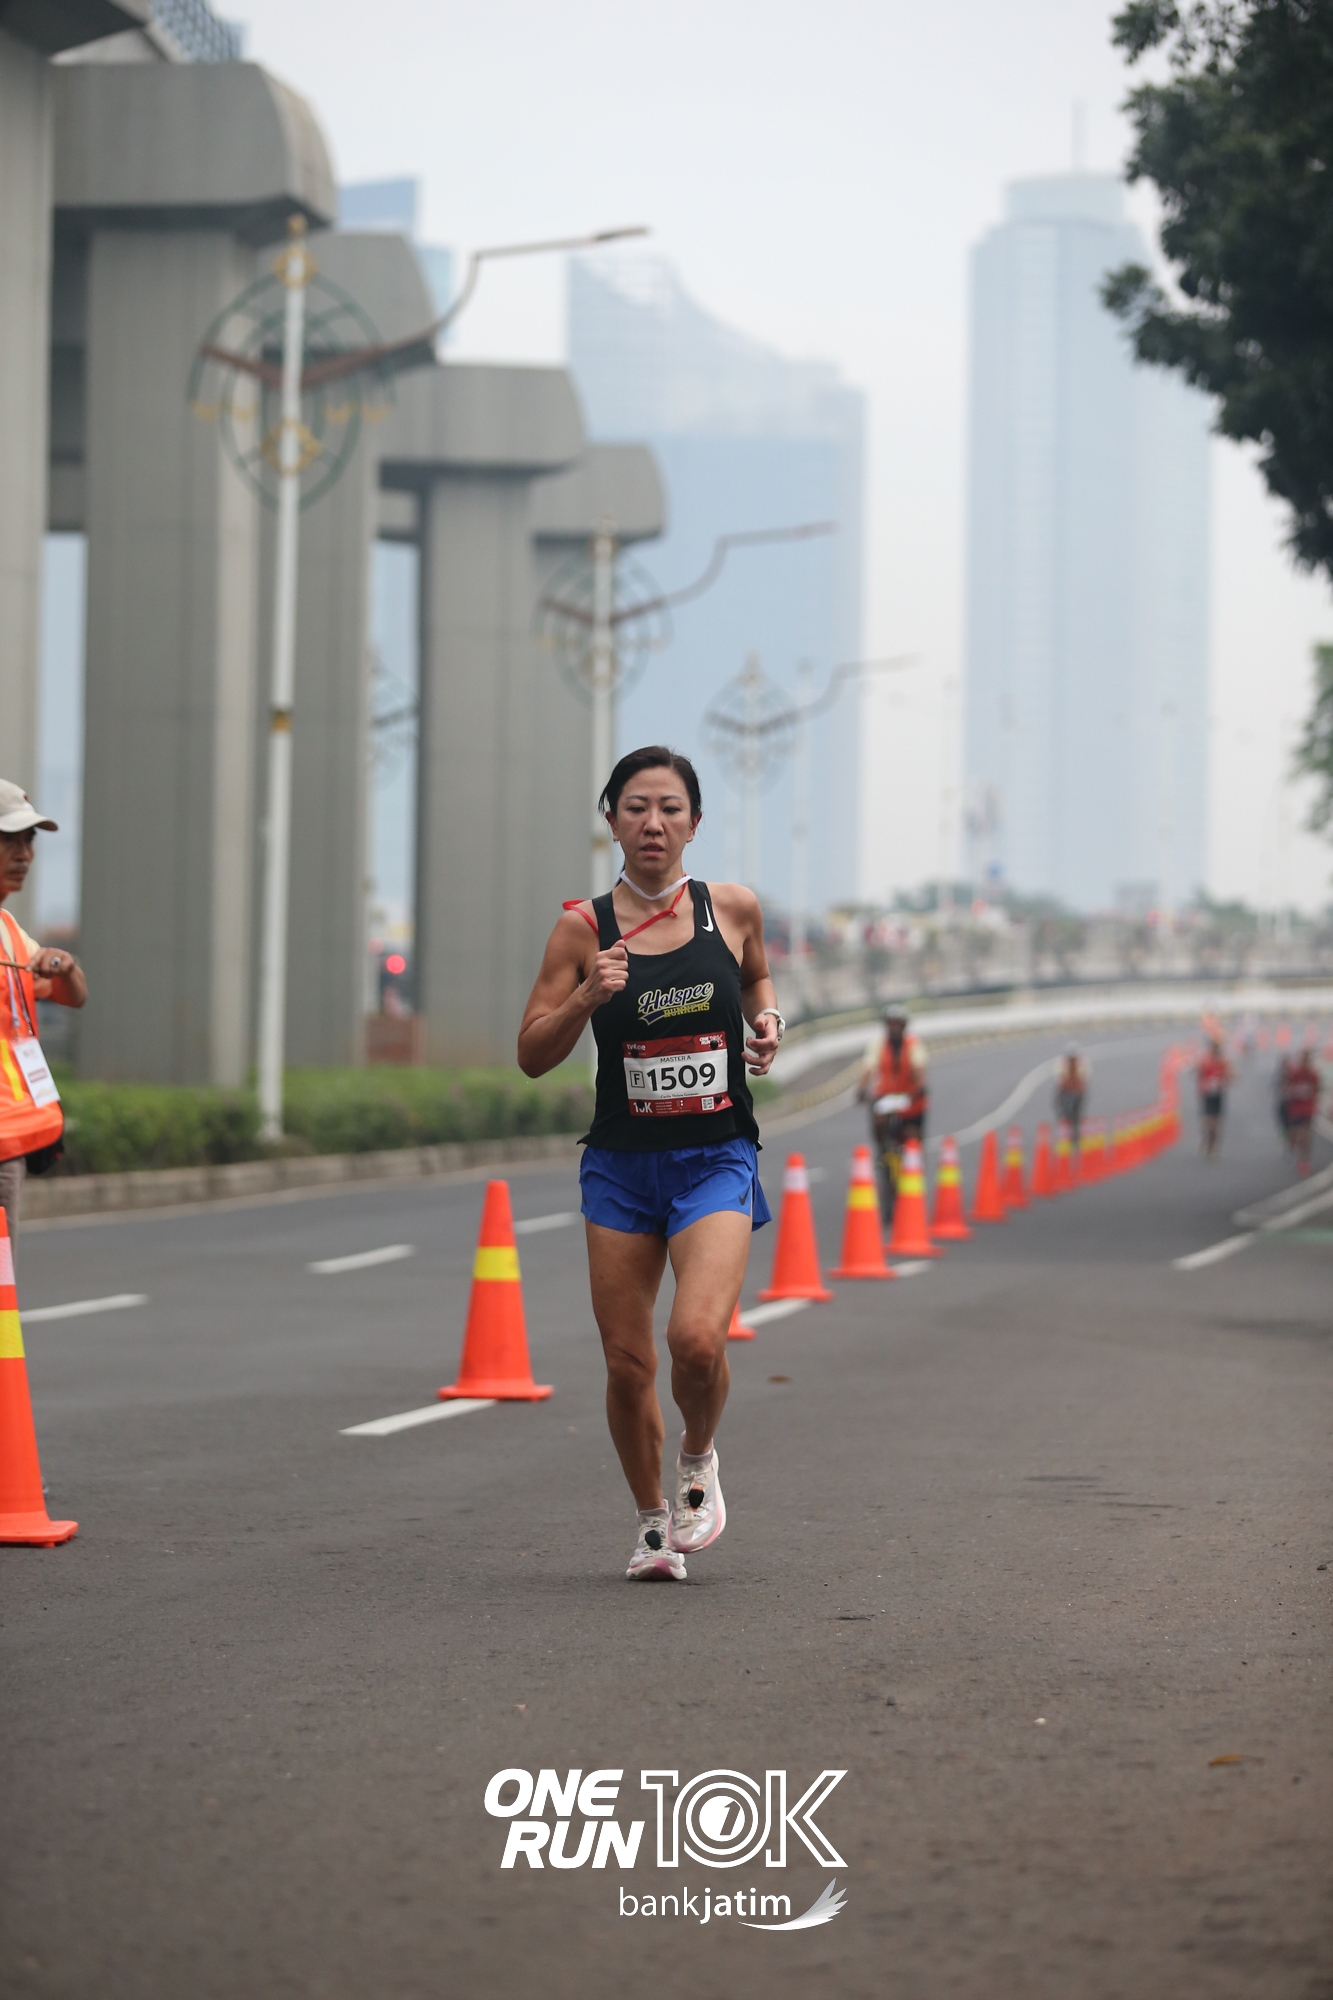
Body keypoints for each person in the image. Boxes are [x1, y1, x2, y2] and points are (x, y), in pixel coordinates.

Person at [518, 747, 781, 1583]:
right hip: (622, 1167)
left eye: (670, 808)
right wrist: (585, 997)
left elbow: (757, 979)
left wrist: (767, 1022)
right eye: (636, 807)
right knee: (628, 1364)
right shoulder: (581, 929)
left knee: (695, 1339)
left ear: (694, 824)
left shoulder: (731, 909)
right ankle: (651, 1527)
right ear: (612, 822)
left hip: (715, 1157)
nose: (653, 823)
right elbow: (531, 1054)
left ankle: (697, 1459)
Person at [0, 780, 88, 1250]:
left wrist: (66, 967)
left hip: (10, 1137)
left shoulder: (9, 931)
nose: (24, 854)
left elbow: (73, 996)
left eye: (28, 839)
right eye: (8, 839)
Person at [858, 1002, 928, 1220]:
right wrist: (862, 1089)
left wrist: (918, 1088)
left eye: (898, 1024)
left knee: (912, 1139)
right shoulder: (878, 1045)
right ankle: (882, 1151)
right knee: (879, 1119)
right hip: (886, 1098)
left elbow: (919, 1068)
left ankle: (912, 1170)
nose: (894, 1028)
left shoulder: (913, 1044)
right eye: (891, 1024)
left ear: (904, 1026)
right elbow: (868, 1068)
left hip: (910, 1099)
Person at [1280, 1050, 1320, 1175]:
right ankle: (1293, 1150)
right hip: (1295, 1109)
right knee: (1296, 1134)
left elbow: (1317, 1089)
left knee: (1306, 1135)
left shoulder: (1313, 1075)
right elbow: (1286, 1086)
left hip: (1308, 1109)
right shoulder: (1295, 1073)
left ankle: (1304, 1161)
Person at [1196, 1035, 1232, 1158]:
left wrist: (1223, 1081)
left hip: (1218, 1094)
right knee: (1207, 1121)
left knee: (1216, 1123)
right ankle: (1205, 1141)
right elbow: (1198, 1074)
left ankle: (1213, 1147)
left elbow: (1230, 1076)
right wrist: (1203, 1085)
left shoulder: (1223, 1061)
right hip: (1207, 1094)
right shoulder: (1205, 1060)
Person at [1054, 1042, 1089, 1145]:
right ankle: (1067, 1134)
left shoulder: (1081, 1063)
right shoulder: (1062, 1063)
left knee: (1075, 1114)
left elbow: (1084, 1078)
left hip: (1076, 1092)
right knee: (1064, 1112)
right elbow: (1059, 1078)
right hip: (1066, 1091)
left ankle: (1074, 1136)